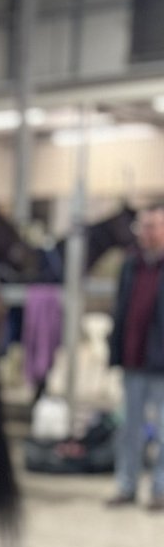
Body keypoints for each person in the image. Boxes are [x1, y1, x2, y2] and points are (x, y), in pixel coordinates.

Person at [107, 202, 164, 511]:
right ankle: (126, 486)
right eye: (144, 227)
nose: (148, 233)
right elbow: (121, 310)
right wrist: (115, 349)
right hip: (133, 360)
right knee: (129, 429)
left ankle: (160, 490)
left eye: (154, 226)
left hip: (161, 364)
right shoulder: (131, 265)